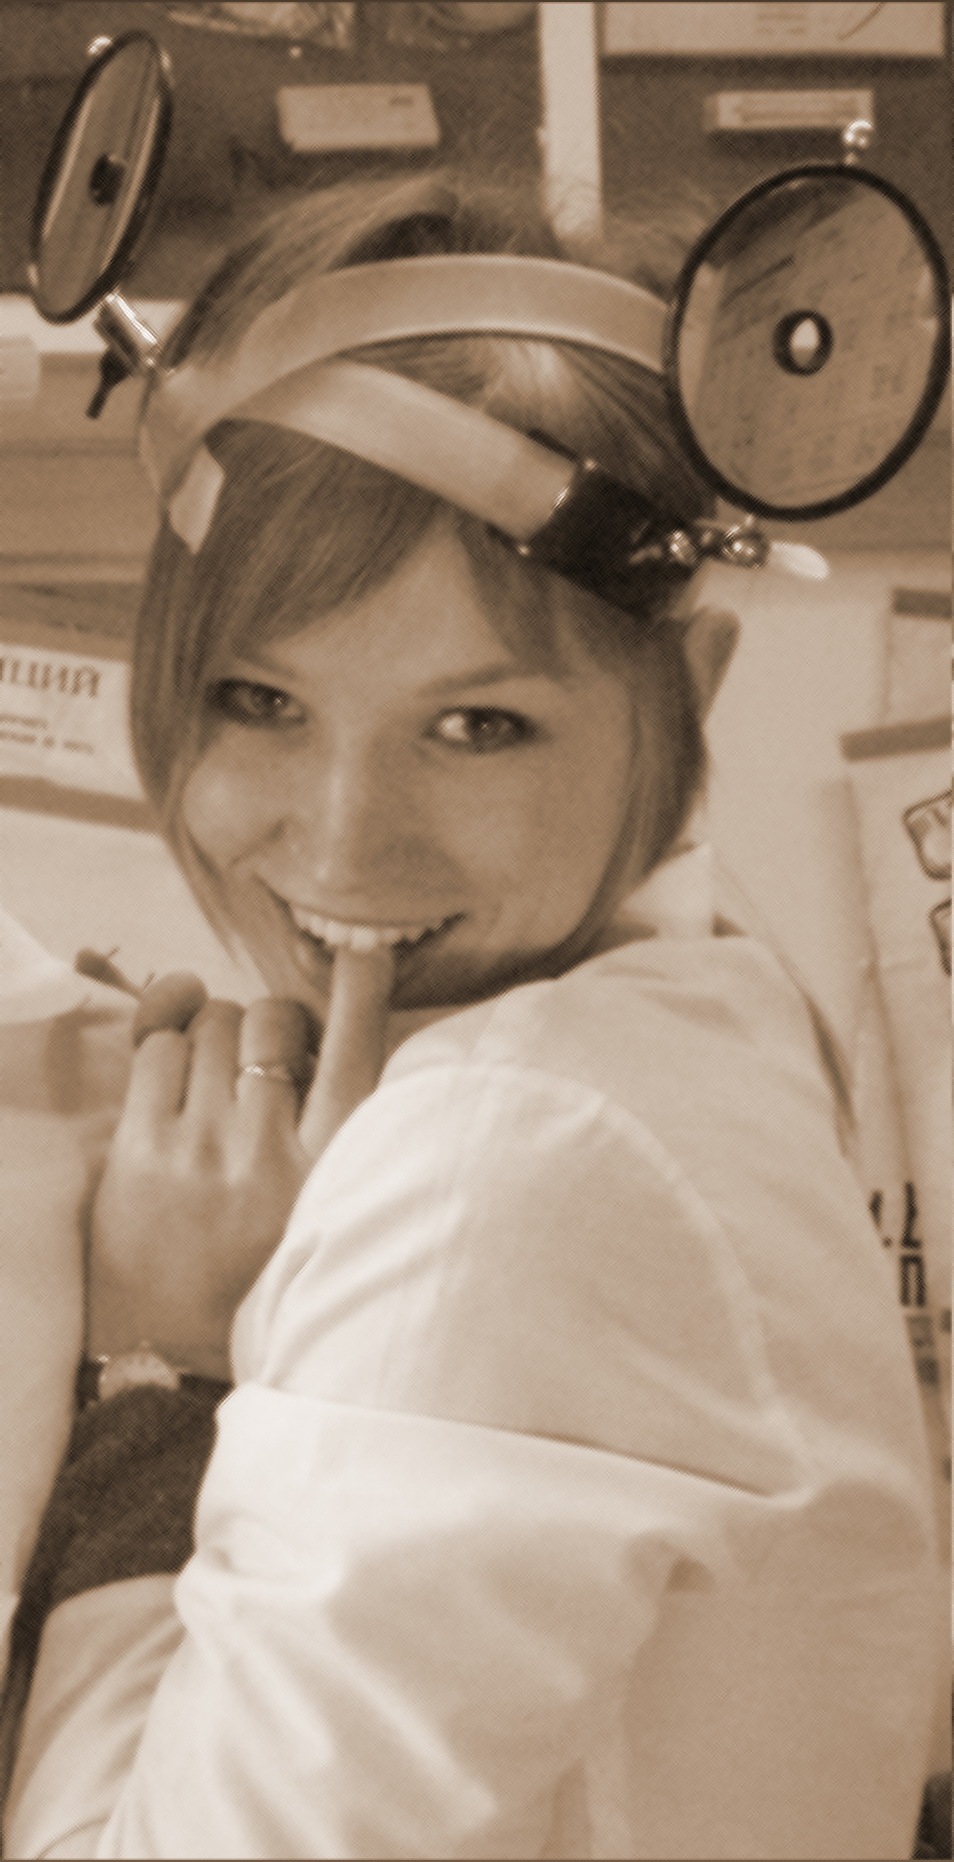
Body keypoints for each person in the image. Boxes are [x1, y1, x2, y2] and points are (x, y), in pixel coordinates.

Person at [0, 170, 943, 1861]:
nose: (342, 842)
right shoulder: (710, 995)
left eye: (478, 726)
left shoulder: (500, 1158)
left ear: (689, 693)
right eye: (259, 699)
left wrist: (159, 1365)